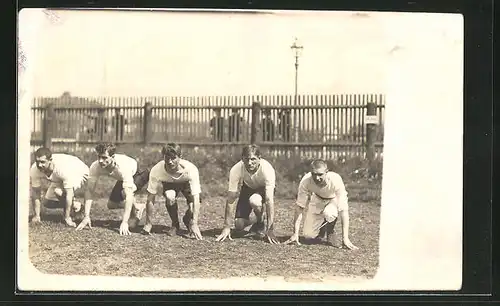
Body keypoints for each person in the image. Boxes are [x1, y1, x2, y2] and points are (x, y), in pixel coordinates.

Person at [75, 143, 150, 236]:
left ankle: (134, 215)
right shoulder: (95, 166)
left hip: (139, 172)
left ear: (113, 156)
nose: (101, 161)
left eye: (104, 157)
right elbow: (89, 190)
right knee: (111, 204)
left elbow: (129, 194)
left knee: (125, 193)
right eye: (99, 157)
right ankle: (138, 206)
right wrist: (86, 216)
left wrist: (124, 222)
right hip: (122, 178)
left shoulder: (123, 167)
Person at [284, 159, 358, 250]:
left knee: (329, 214)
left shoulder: (336, 179)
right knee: (308, 236)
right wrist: (295, 234)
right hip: (317, 199)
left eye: (320, 174)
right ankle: (322, 229)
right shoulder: (306, 181)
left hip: (333, 200)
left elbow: (343, 211)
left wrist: (345, 239)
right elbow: (299, 207)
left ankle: (330, 229)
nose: (317, 178)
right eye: (314, 174)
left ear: (326, 172)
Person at [216, 144, 279, 244]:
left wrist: (270, 230)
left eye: (253, 159)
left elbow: (269, 200)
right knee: (239, 225)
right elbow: (231, 198)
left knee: (255, 200)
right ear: (242, 159)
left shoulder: (267, 169)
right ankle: (259, 219)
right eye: (246, 159)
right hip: (248, 188)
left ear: (259, 158)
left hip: (263, 190)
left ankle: (262, 223)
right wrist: (226, 227)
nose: (249, 163)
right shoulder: (236, 169)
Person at [144, 143, 203, 240]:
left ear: (180, 157)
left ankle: (188, 220)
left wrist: (195, 223)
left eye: (173, 158)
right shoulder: (157, 169)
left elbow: (196, 197)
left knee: (192, 208)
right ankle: (175, 224)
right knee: (170, 196)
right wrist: (148, 224)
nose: (170, 162)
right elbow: (150, 197)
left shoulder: (191, 169)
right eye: (167, 158)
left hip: (186, 182)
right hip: (170, 183)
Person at [30, 147, 89, 227]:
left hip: (78, 170)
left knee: (58, 192)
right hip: (59, 177)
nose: (40, 165)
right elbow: (36, 192)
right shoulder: (34, 169)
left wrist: (67, 218)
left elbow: (69, 193)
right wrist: (37, 216)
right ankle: (76, 205)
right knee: (47, 203)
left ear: (50, 160)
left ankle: (70, 214)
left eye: (43, 162)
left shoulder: (62, 169)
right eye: (37, 162)